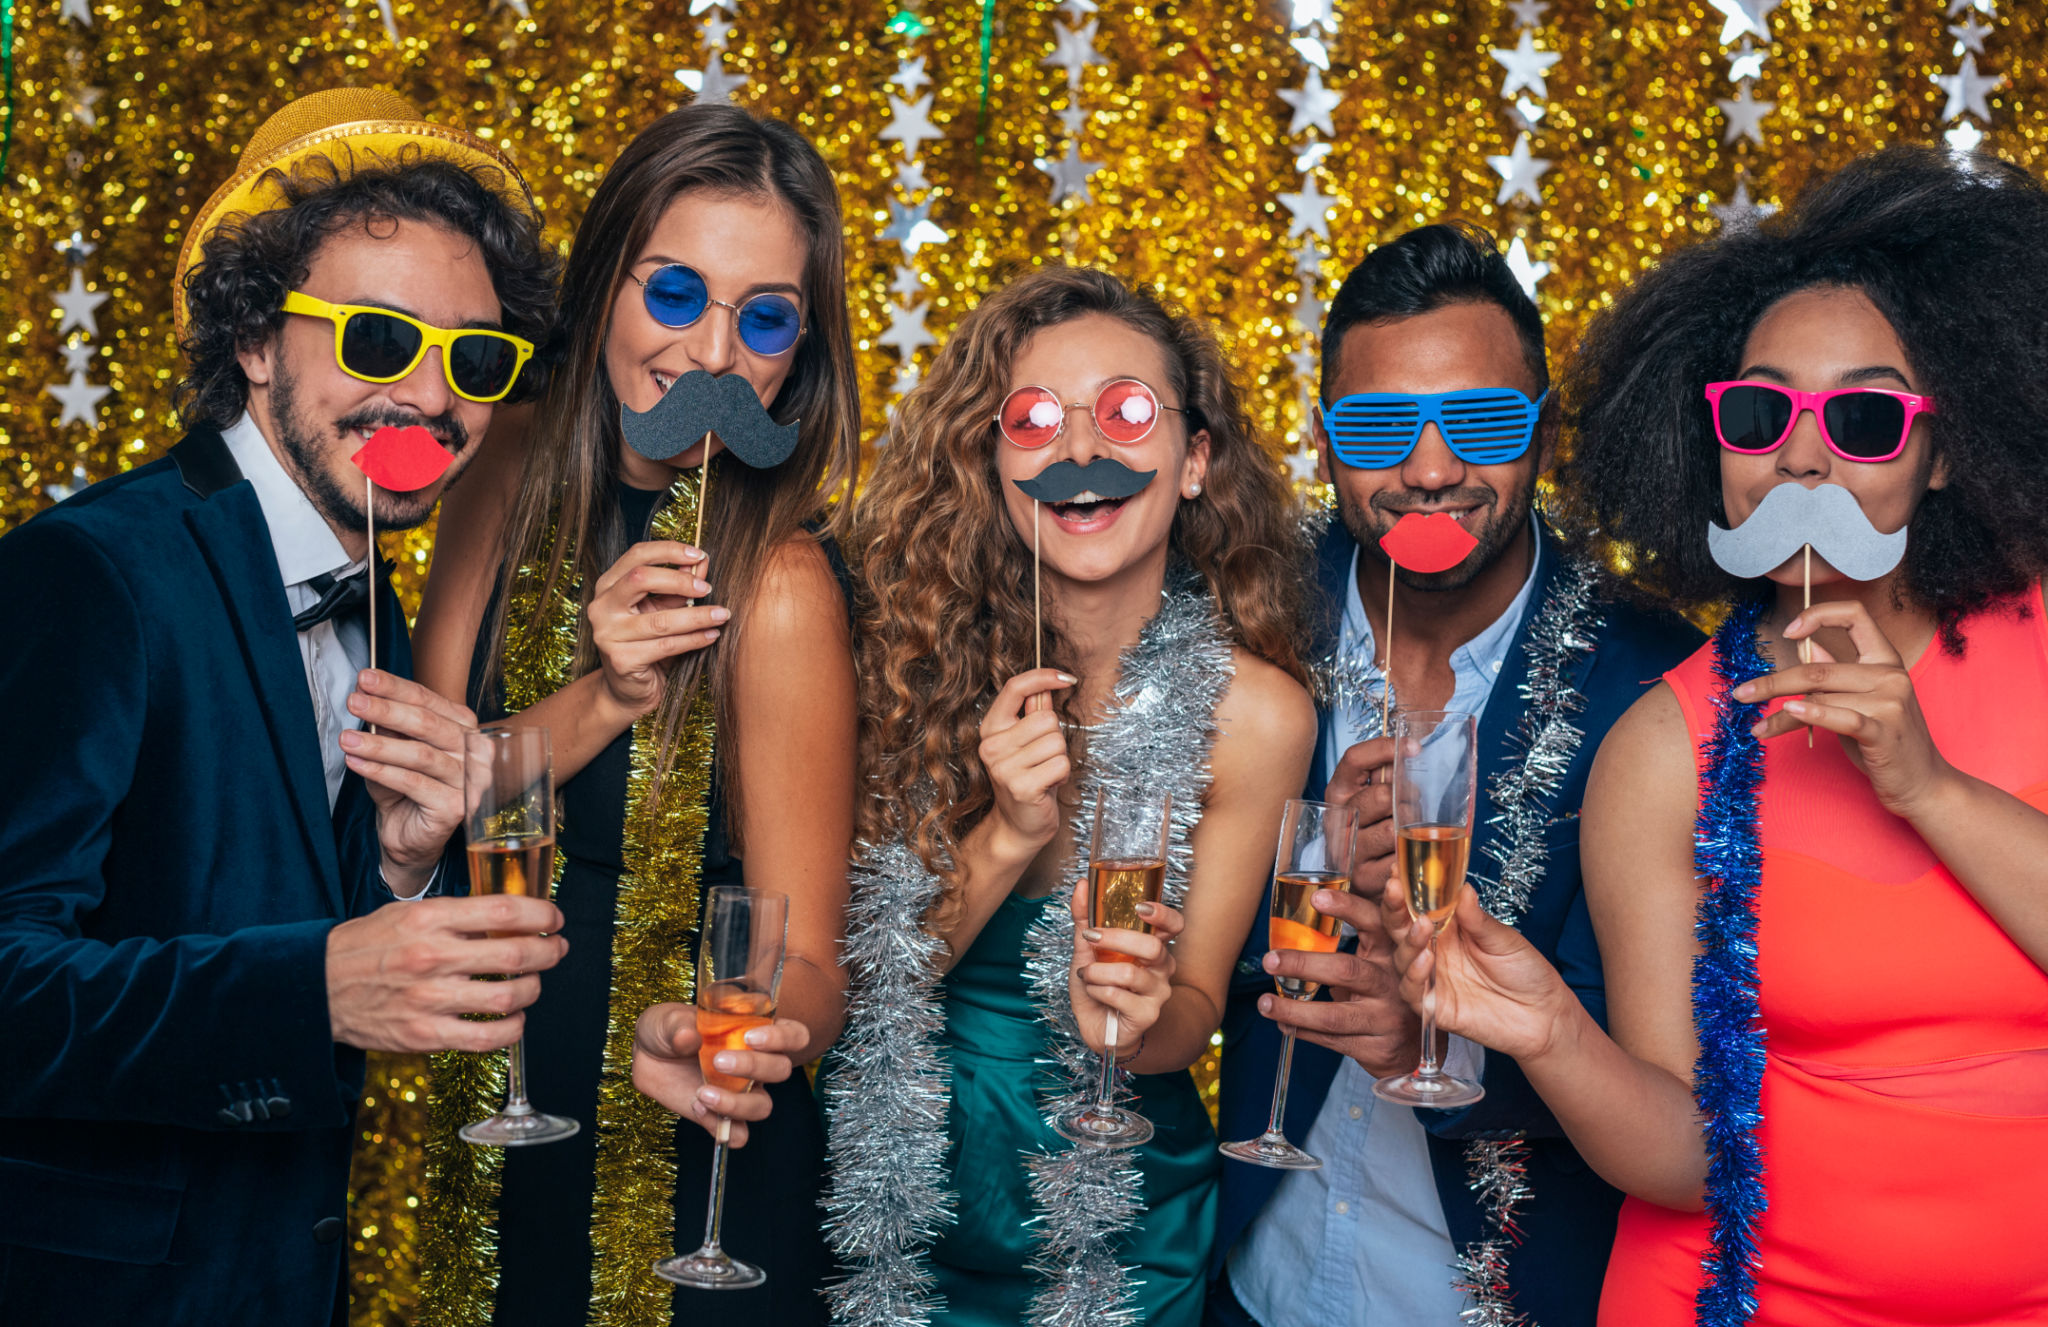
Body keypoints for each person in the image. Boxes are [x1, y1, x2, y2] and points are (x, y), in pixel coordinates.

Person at [1386, 147, 2048, 1327]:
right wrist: (1548, 1030)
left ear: (1944, 452)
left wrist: (1927, 788)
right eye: (1760, 409)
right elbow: (1689, 1158)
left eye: (1860, 414)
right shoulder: (1661, 742)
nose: (1801, 453)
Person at [0, 88, 564, 1324]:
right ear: (257, 339)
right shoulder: (94, 572)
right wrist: (308, 985)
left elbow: (289, 909)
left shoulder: (368, 589)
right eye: (375, 339)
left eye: (474, 356)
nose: (427, 398)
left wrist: (404, 865)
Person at [412, 101, 861, 1325]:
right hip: (483, 1129)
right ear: (606, 283)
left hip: (692, 1180)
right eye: (673, 296)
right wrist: (606, 691)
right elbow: (422, 806)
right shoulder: (496, 472)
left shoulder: (777, 587)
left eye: (762, 318)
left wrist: (744, 1035)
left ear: (796, 354)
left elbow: (815, 961)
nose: (712, 354)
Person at [1208, 223, 1701, 1327]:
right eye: (1379, 427)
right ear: (1324, 440)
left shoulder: (1649, 681)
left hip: (1489, 1294)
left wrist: (1437, 1044)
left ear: (1540, 433)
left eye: (1478, 421)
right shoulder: (1243, 614)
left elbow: (1669, 1076)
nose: (1430, 470)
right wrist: (1307, 866)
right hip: (1254, 1277)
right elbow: (1155, 896)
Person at [829, 265, 1316, 1327]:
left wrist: (1131, 1027)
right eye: (1035, 419)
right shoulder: (900, 660)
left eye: (1126, 412)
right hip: (885, 1204)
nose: (1080, 453)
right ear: (990, 462)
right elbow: (853, 982)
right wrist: (1007, 833)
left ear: (1192, 462)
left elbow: (1189, 1011)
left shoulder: (1259, 715)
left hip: (1115, 1237)